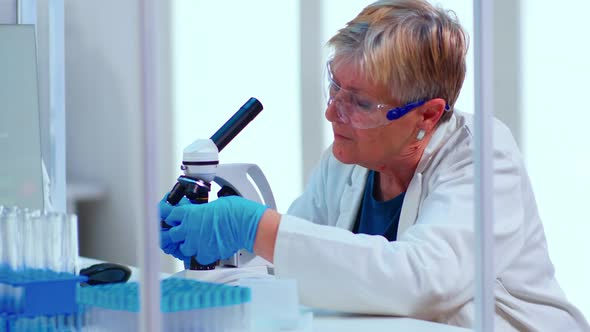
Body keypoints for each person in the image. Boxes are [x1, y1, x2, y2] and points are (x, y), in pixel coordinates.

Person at [159, 0, 590, 330]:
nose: (333, 113)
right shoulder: (346, 161)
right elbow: (300, 264)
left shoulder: (482, 156)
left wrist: (254, 227)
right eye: (335, 87)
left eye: (361, 102)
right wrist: (231, 249)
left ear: (426, 115)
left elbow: (422, 282)